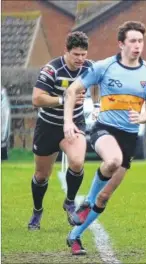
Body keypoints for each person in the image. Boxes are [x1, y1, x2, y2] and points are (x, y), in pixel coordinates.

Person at [63, 21, 146, 255]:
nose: (138, 46)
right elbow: (72, 90)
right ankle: (85, 203)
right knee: (112, 161)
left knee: (105, 197)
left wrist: (143, 117)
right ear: (121, 44)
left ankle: (75, 236)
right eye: (133, 41)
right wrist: (67, 121)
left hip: (129, 138)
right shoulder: (104, 67)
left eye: (141, 41)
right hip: (104, 128)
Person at [28, 31, 99, 230]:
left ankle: (69, 202)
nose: (80, 59)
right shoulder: (51, 70)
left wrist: (96, 105)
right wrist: (63, 99)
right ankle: (37, 211)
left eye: (83, 54)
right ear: (66, 52)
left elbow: (97, 84)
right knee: (42, 175)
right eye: (76, 54)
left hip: (75, 123)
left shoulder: (89, 67)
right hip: (48, 126)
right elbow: (37, 99)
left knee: (77, 161)